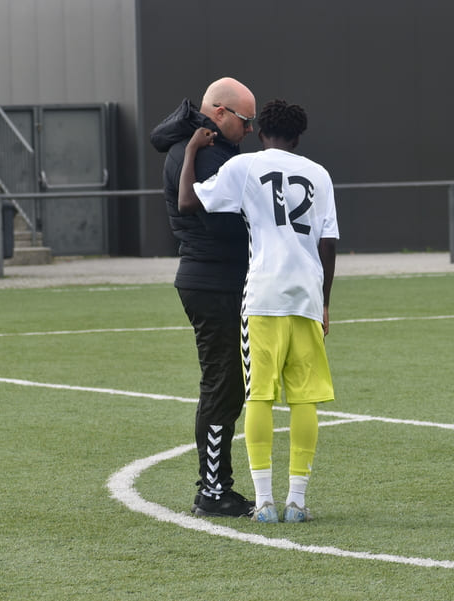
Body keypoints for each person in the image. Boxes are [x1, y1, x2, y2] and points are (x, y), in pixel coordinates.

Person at [178, 99, 338, 523]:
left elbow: (189, 203)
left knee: (259, 396)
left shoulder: (244, 166)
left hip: (263, 297)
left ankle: (265, 501)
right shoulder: (319, 174)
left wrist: (192, 150)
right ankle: (298, 501)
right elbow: (328, 244)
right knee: (305, 399)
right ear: (299, 136)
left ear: (262, 130)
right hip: (305, 296)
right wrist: (324, 302)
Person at [149, 77, 257, 517]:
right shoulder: (206, 155)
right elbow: (220, 221)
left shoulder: (200, 150)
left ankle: (214, 486)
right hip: (213, 281)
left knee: (226, 384)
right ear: (219, 113)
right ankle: (213, 489)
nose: (249, 131)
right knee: (221, 384)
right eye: (245, 121)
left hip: (211, 279)